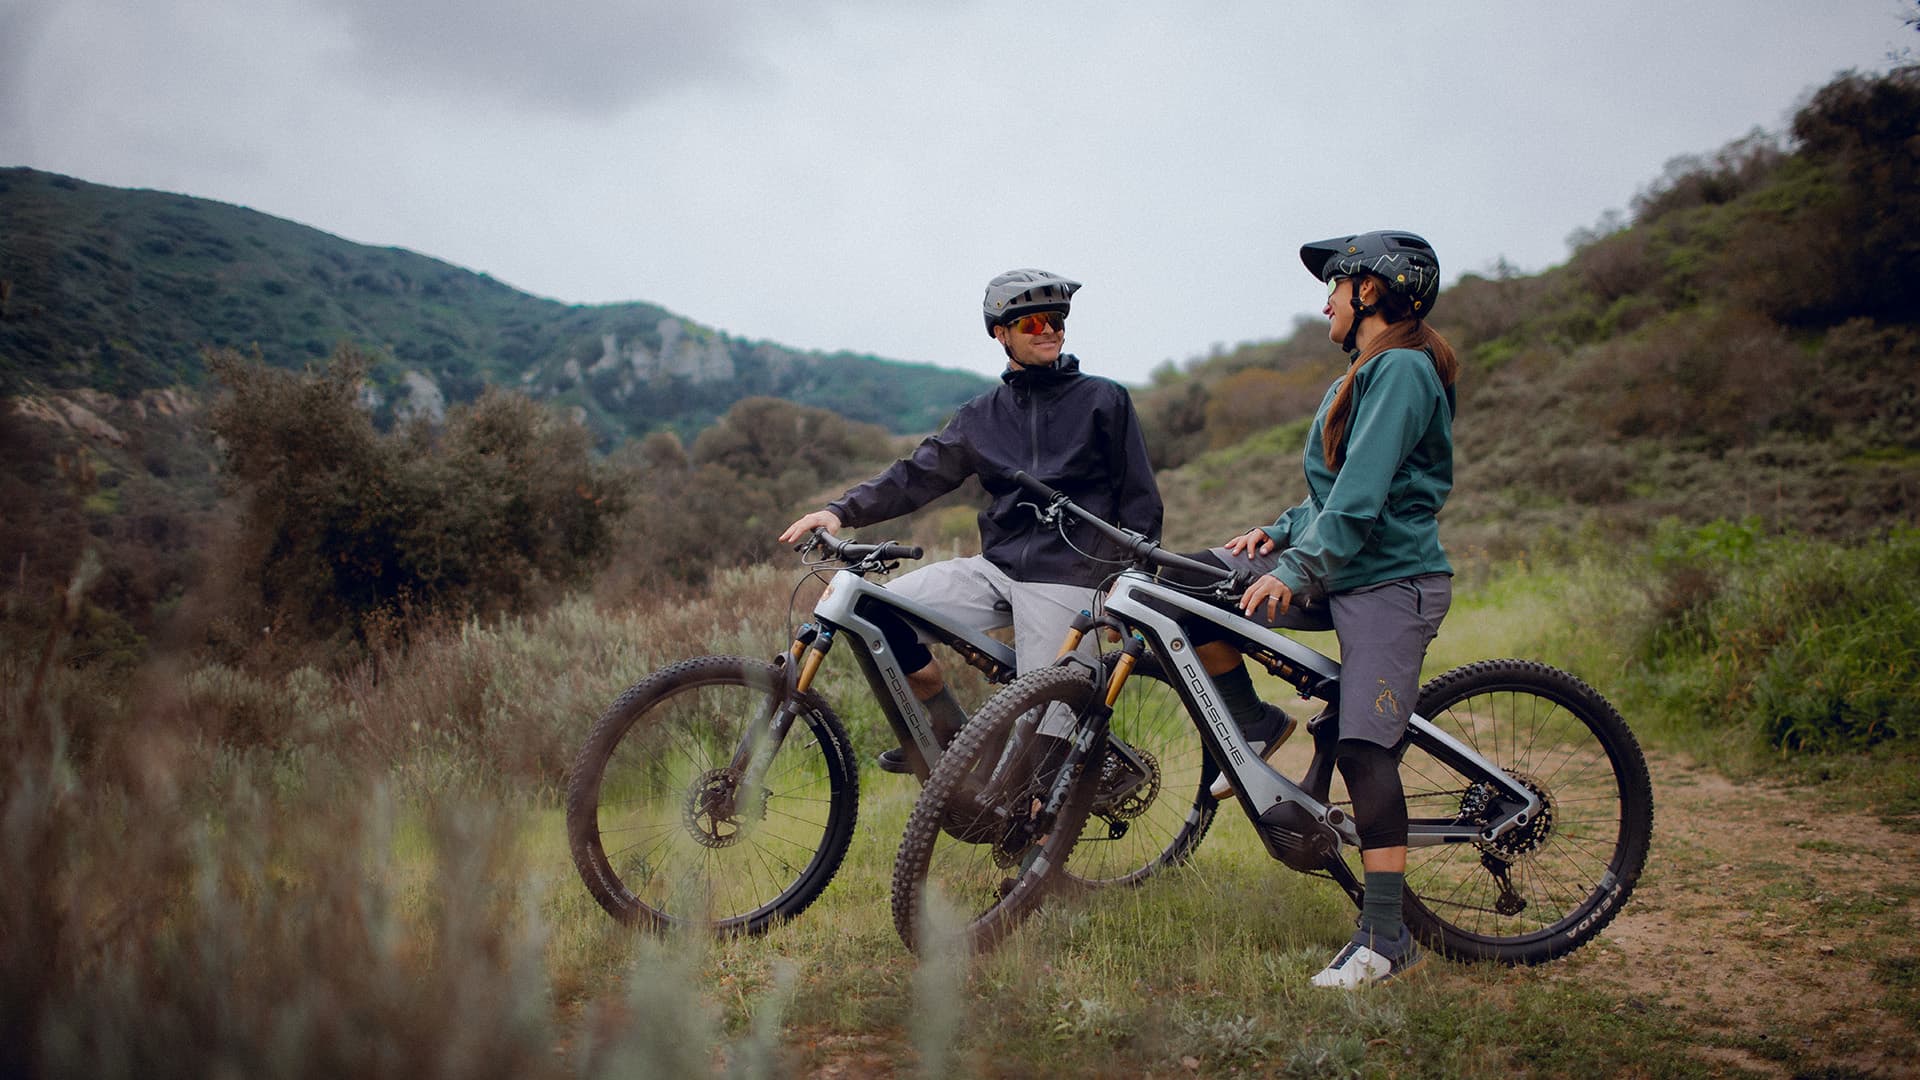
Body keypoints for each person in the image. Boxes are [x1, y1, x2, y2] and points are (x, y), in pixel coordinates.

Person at [1190, 230, 1458, 988]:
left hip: (1390, 582)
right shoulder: (1369, 371)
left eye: (1334, 287)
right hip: (1343, 567)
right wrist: (1281, 532)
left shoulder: (1402, 370)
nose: (1325, 304)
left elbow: (1363, 498)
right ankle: (1251, 724)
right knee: (1195, 585)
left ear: (1369, 290)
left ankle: (1385, 937)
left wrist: (1297, 567)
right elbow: (1333, 493)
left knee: (1365, 752)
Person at [778, 269, 1163, 774]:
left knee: (1037, 764)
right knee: (872, 614)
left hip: (1070, 575)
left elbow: (1139, 496)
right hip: (996, 567)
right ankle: (951, 735)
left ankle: (1049, 799)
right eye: (1033, 323)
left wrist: (1131, 583)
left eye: (1057, 320)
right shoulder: (981, 416)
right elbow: (917, 475)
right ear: (1001, 334)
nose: (1049, 330)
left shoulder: (1104, 400)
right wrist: (839, 511)